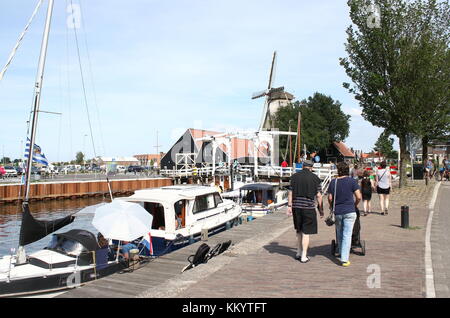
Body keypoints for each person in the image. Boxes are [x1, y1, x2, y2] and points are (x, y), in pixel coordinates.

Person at [287, 159, 324, 263]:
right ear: (311, 167)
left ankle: (298, 252)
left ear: (303, 166)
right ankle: (304, 256)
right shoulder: (315, 178)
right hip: (308, 208)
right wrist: (321, 210)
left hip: (296, 207)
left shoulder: (294, 177)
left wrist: (289, 206)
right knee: (306, 233)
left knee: (298, 230)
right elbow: (319, 196)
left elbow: (290, 192)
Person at [327, 162, 361, 267]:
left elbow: (329, 198)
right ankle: (344, 259)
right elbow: (358, 196)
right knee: (347, 234)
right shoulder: (352, 181)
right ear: (348, 170)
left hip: (337, 211)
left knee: (340, 233)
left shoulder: (333, 182)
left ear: (338, 170)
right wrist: (355, 205)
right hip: (350, 210)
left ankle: (342, 253)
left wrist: (331, 206)